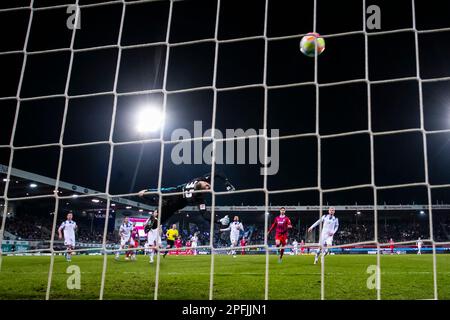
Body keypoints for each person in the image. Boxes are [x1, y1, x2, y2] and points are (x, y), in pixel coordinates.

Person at [138, 173, 235, 224]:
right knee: (158, 198)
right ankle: (154, 207)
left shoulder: (202, 180)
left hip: (177, 196)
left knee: (160, 199)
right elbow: (205, 214)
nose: (208, 187)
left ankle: (155, 209)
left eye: (208, 188)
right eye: (207, 187)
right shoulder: (199, 197)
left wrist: (226, 182)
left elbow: (204, 213)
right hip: (177, 197)